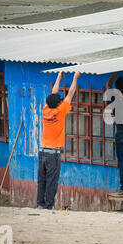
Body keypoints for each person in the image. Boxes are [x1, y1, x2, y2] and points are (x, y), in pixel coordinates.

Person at [37, 71, 81, 209]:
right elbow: (71, 94)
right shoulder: (60, 111)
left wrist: (58, 77)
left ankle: (40, 205)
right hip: (53, 154)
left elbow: (53, 94)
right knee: (51, 181)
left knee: (42, 180)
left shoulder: (46, 110)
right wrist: (75, 78)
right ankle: (49, 206)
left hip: (42, 152)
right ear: (58, 104)